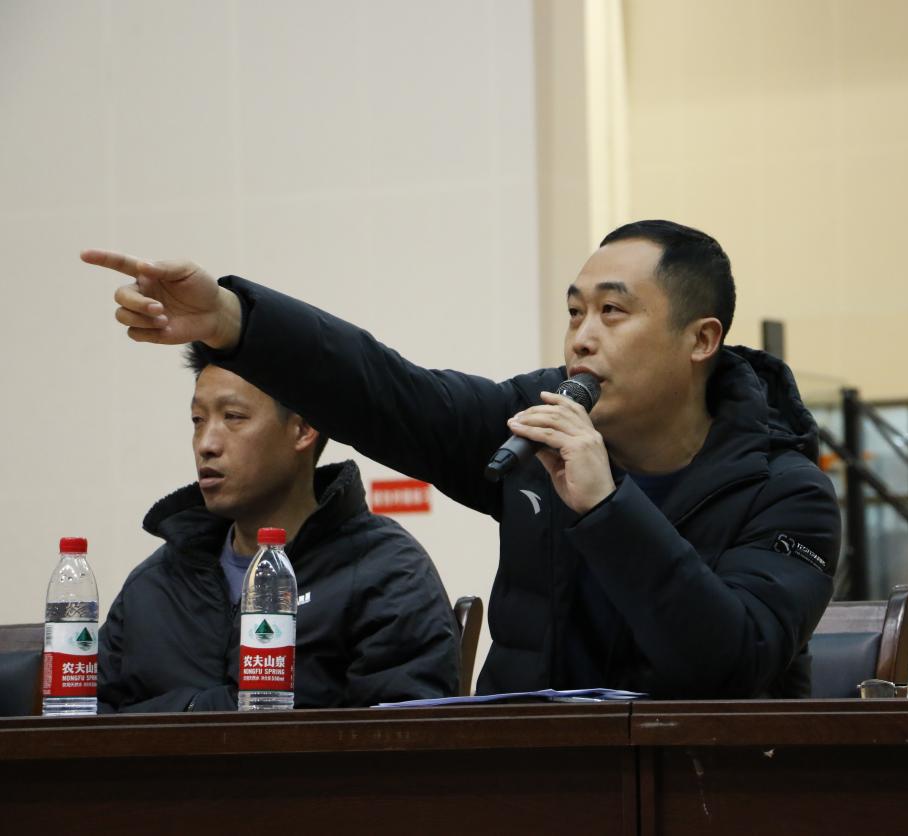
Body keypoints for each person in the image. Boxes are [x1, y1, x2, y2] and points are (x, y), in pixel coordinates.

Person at [85, 219, 840, 699]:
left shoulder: (788, 493)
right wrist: (233, 321)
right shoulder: (533, 426)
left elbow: (729, 663)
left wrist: (608, 507)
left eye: (613, 311)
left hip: (701, 794)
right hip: (532, 788)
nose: (581, 336)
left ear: (700, 340)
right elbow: (389, 393)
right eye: (574, 311)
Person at [97, 346, 461, 712]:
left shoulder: (386, 572)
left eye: (233, 417)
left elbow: (403, 736)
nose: (206, 444)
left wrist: (186, 713)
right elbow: (84, 722)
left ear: (303, 429)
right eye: (197, 420)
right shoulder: (155, 583)